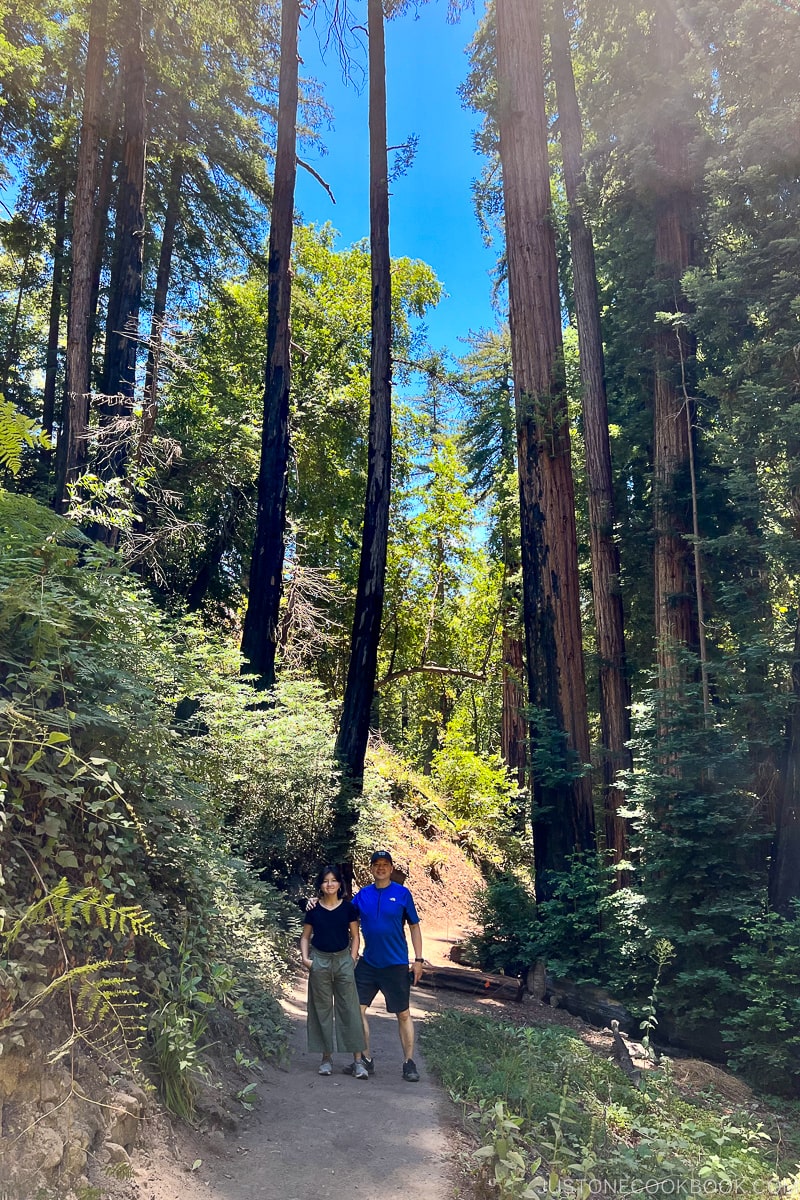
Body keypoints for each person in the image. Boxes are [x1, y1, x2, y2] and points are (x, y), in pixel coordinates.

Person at [346, 849, 425, 1083]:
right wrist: (315, 902)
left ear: (391, 869)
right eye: (376, 864)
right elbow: (343, 913)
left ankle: (409, 1063)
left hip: (396, 964)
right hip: (369, 963)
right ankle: (365, 1059)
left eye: (385, 864)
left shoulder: (402, 894)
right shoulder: (363, 895)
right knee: (356, 1010)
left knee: (403, 1014)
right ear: (371, 869)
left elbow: (414, 926)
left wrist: (418, 960)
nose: (380, 868)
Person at [300, 864, 369, 1079]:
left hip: (343, 960)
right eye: (325, 880)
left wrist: (352, 958)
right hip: (319, 960)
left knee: (350, 1009)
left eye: (333, 880)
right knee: (321, 1010)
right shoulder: (314, 909)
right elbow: (305, 937)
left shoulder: (348, 908)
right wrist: (305, 959)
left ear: (340, 884)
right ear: (320, 884)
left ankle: (358, 1062)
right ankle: (326, 1059)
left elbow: (355, 935)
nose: (329, 884)